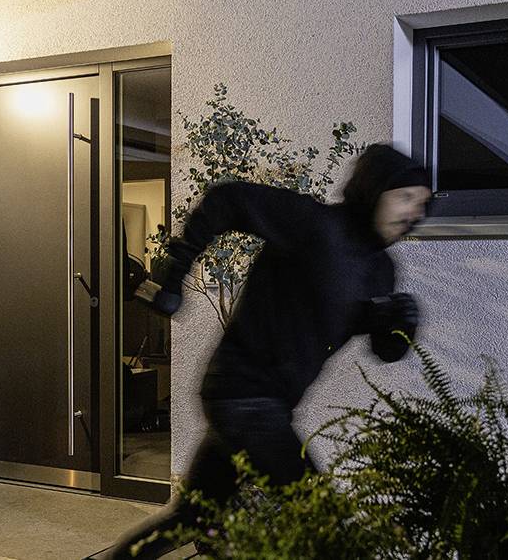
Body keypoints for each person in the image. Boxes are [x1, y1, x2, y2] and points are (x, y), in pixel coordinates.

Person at [107, 144, 432, 559]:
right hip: (242, 395)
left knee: (193, 517)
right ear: (374, 190)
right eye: (405, 197)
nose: (413, 214)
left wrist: (399, 326)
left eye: (421, 205)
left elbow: (383, 350)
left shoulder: (378, 270)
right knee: (326, 523)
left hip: (269, 404)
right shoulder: (313, 225)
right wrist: (172, 276)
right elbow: (227, 200)